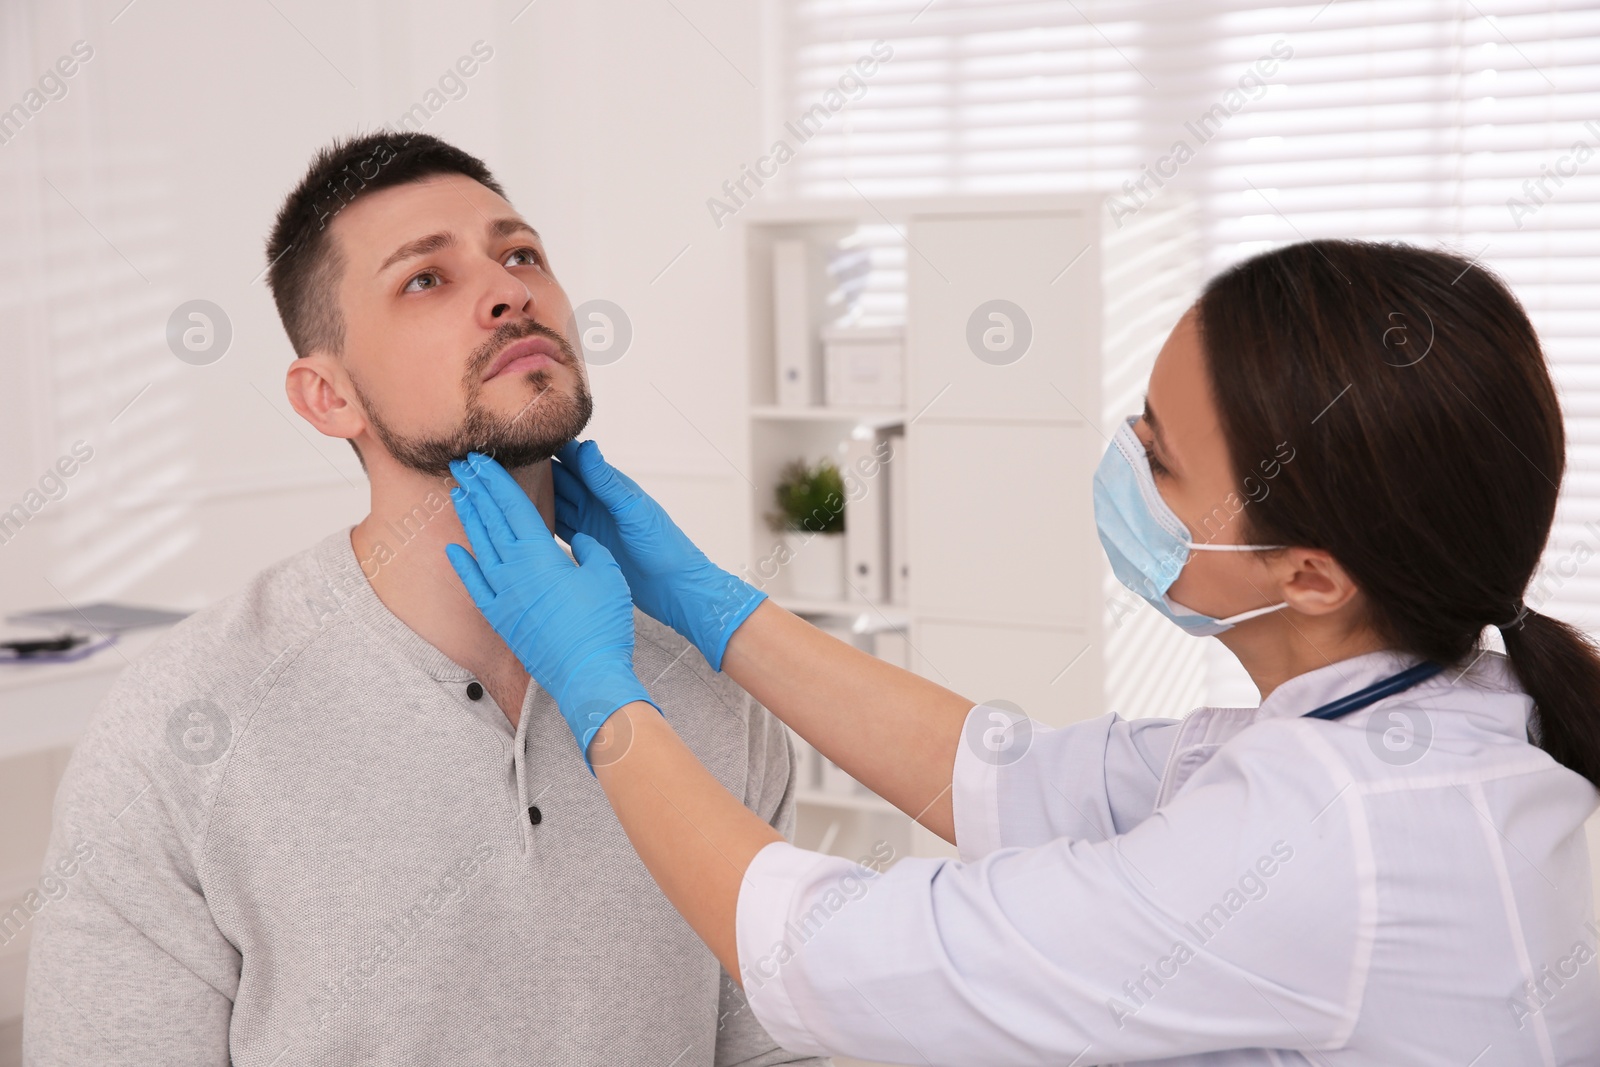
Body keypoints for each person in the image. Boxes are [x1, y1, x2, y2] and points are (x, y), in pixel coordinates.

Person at [443, 238, 1600, 1064]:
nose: (1121, 465)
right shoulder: (1427, 711)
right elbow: (1015, 776)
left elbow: (830, 958)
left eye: (1154, 458)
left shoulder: (1336, 829)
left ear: (1307, 573)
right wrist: (715, 608)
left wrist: (603, 697)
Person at [22, 132, 823, 1067]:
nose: (509, 289)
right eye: (423, 280)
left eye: (519, 254)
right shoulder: (181, 726)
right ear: (329, 398)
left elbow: (775, 1048)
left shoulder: (711, 690)